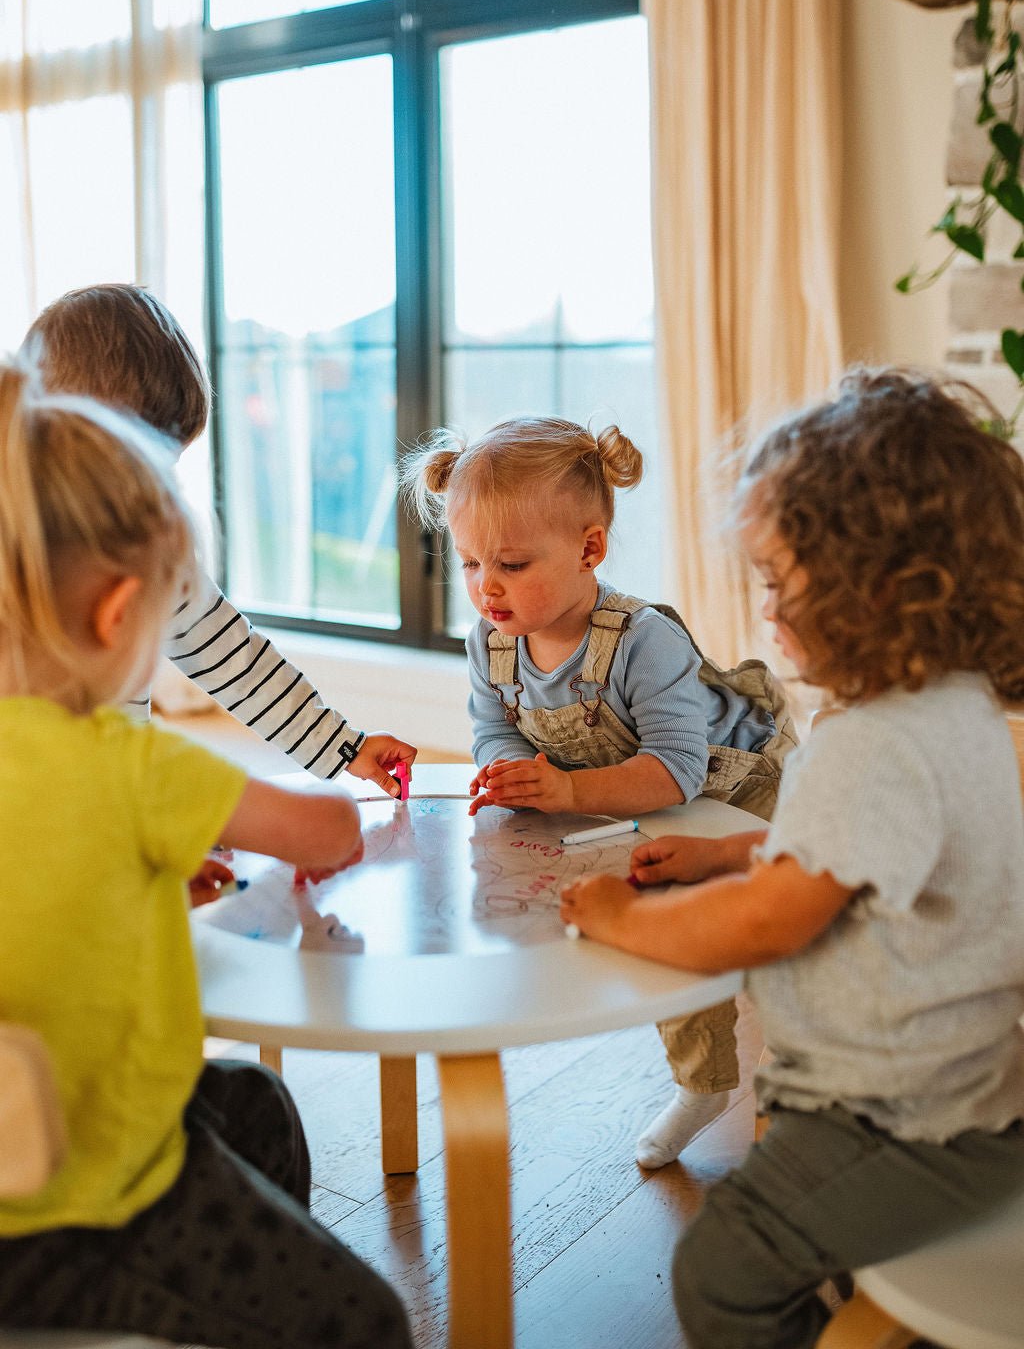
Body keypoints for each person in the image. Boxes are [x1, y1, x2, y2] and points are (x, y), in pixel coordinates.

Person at [559, 367, 1024, 1349]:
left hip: (901, 1116)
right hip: (967, 1084)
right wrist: (733, 856)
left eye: (777, 583)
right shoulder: (952, 708)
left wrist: (620, 917)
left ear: (877, 589)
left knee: (722, 1266)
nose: (764, 612)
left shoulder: (873, 743)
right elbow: (871, 855)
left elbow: (770, 922)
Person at [0, 360, 411, 1349]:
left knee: (252, 1103)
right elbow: (329, 832)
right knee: (369, 1323)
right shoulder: (130, 763)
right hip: (79, 1215)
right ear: (115, 617)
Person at [402, 415, 794, 1166]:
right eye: (471, 562)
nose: (487, 586)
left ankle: (795, 1087)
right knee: (667, 938)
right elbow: (494, 729)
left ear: (590, 549)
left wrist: (568, 788)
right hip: (624, 800)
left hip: (742, 793)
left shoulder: (643, 640)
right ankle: (704, 1082)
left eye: (512, 564)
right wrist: (509, 769)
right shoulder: (491, 641)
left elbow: (677, 770)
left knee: (757, 935)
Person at [23, 284, 416, 806]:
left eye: (165, 468)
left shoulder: (151, 541)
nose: (150, 489)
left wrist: (342, 746)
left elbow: (236, 661)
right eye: (134, 465)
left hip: (116, 799)